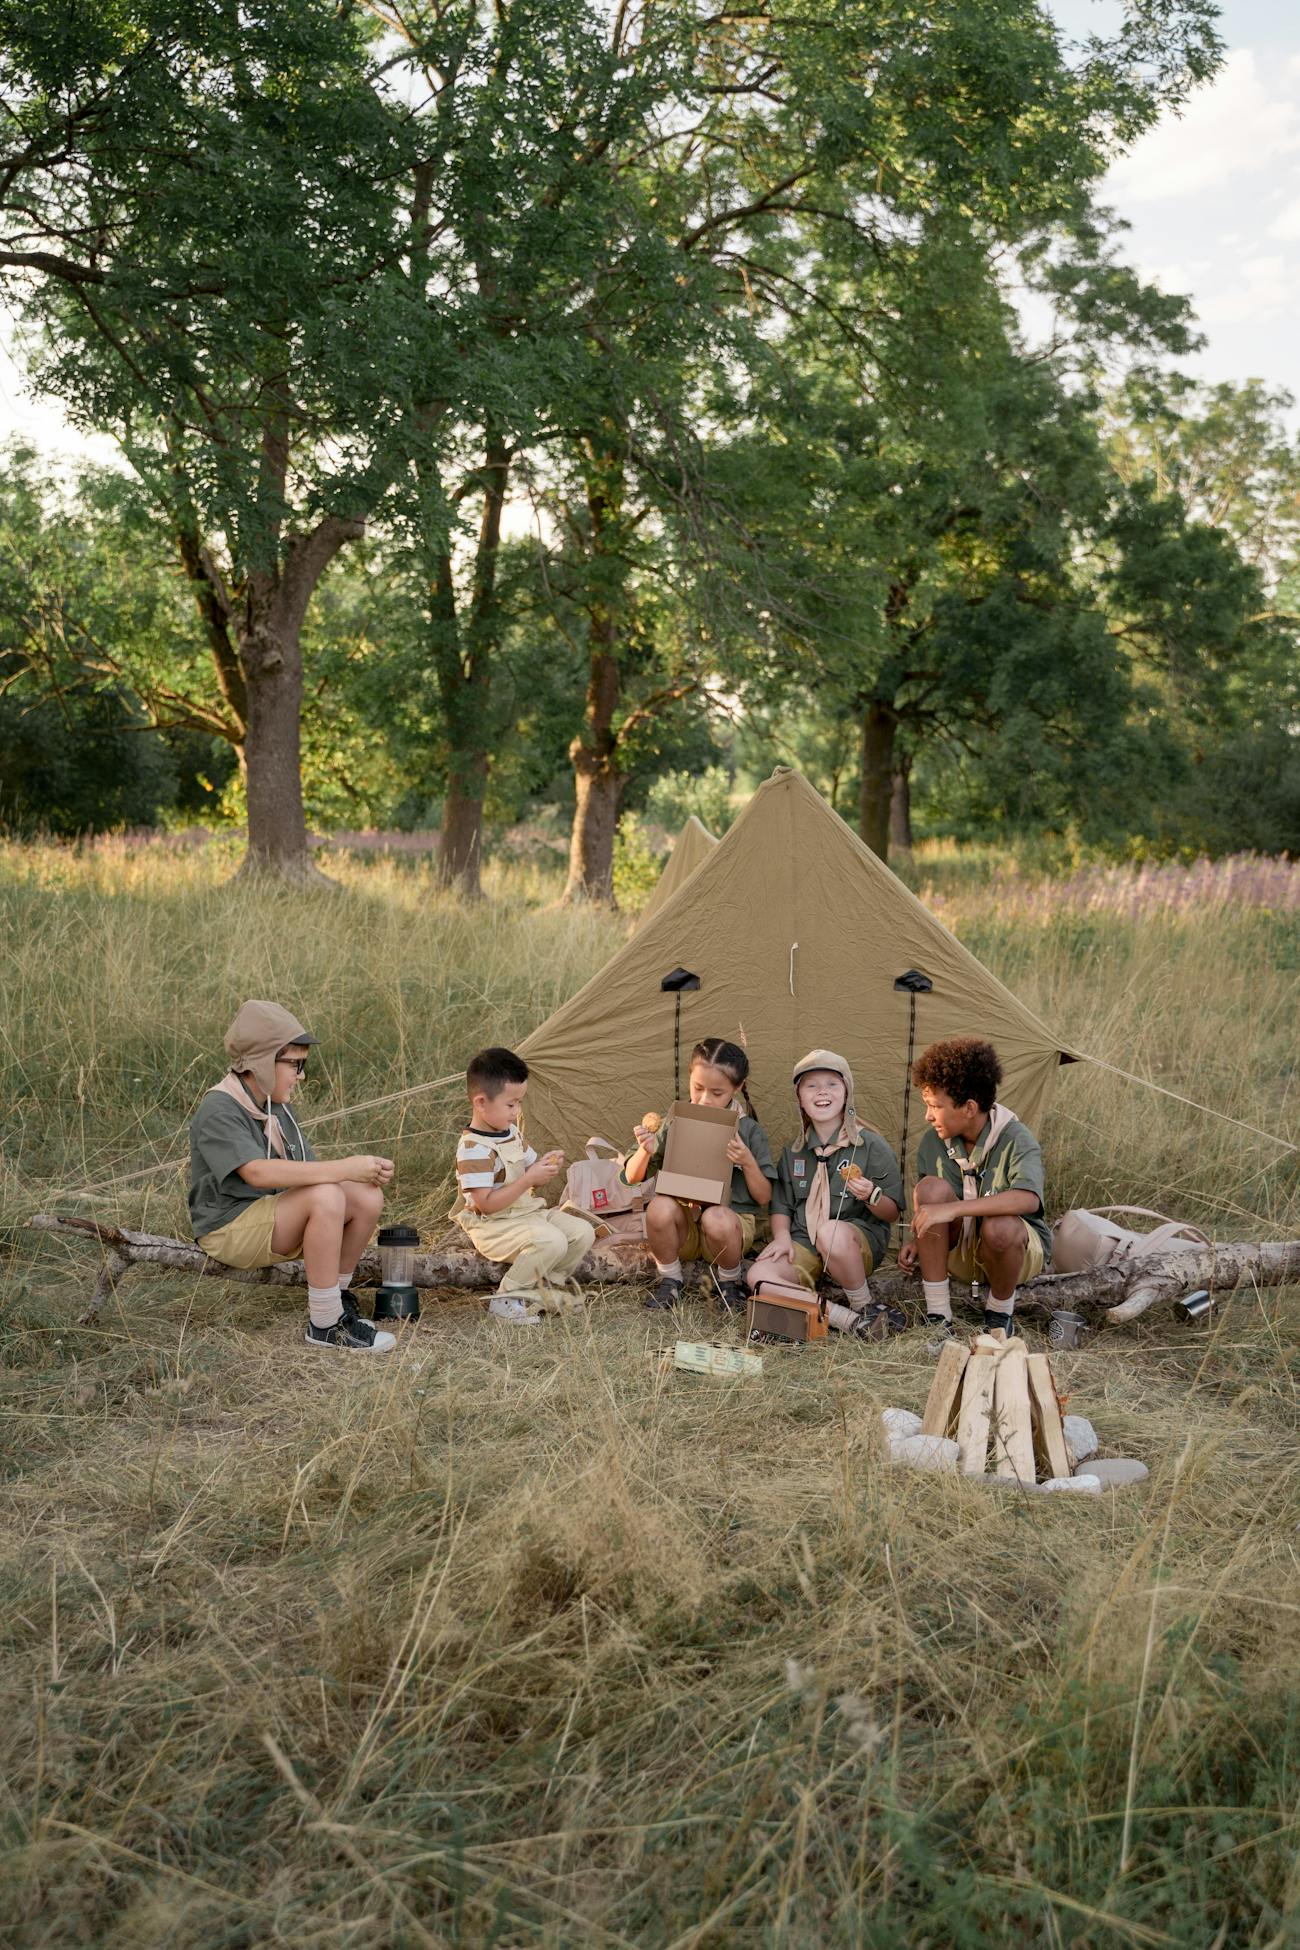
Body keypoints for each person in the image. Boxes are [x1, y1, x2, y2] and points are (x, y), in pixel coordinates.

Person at [189, 1000, 396, 1353]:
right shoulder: (219, 1108)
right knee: (328, 1194)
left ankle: (336, 1299)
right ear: (262, 1062)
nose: (301, 1075)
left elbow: (309, 1175)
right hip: (227, 1229)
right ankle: (326, 1325)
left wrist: (361, 1173)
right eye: (295, 1065)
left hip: (270, 1216)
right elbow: (256, 1172)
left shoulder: (277, 1107)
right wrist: (345, 1167)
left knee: (366, 1195)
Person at [897, 1035, 1050, 1339]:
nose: (928, 1115)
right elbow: (934, 1207)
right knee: (930, 1192)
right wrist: (922, 1237)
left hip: (1013, 1254)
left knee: (1001, 1226)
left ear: (968, 1108)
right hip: (962, 1252)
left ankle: (999, 1313)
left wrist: (950, 1209)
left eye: (935, 1106)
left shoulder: (1016, 1138)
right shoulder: (933, 1142)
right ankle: (938, 1317)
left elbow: (1028, 1200)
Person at [747, 1049, 904, 1337]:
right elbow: (781, 1205)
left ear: (847, 1092)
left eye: (832, 1084)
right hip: (804, 1241)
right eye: (811, 1085)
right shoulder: (794, 1152)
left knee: (831, 1233)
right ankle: (850, 1321)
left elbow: (892, 1212)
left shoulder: (869, 1146)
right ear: (800, 1099)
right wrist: (782, 1237)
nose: (822, 1092)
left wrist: (872, 1195)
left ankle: (864, 1304)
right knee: (758, 1275)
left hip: (853, 1244)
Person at [622, 1036, 776, 1313]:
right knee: (659, 1207)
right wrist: (645, 1150)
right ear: (690, 1078)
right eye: (698, 1088)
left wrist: (747, 1162)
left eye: (717, 1093)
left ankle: (729, 1283)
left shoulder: (748, 1131)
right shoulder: (674, 1120)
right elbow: (631, 1178)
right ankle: (670, 1279)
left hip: (728, 1229)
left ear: (737, 1088)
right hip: (683, 1230)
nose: (704, 1099)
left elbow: (764, 1196)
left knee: (716, 1215)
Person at [452, 1047, 595, 1325]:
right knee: (550, 1240)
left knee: (582, 1232)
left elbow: (528, 1167)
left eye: (520, 1103)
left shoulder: (511, 1133)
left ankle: (544, 1290)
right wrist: (529, 1180)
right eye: (511, 1104)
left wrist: (545, 1165)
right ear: (481, 1102)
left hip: (526, 1213)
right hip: (494, 1224)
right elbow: (486, 1204)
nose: (517, 1112)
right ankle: (506, 1299)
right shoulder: (473, 1149)